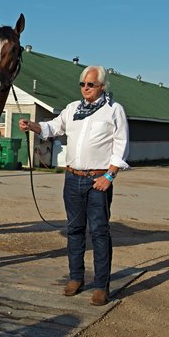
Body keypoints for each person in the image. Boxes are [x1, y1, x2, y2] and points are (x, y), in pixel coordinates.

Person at [19, 65, 129, 306]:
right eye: (82, 84)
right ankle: (76, 278)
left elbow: (121, 146)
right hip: (72, 178)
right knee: (74, 230)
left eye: (90, 84)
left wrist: (109, 177)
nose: (85, 88)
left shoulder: (113, 110)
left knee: (99, 232)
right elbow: (53, 127)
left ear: (102, 86)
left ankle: (101, 286)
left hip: (98, 180)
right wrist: (33, 126)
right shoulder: (72, 109)